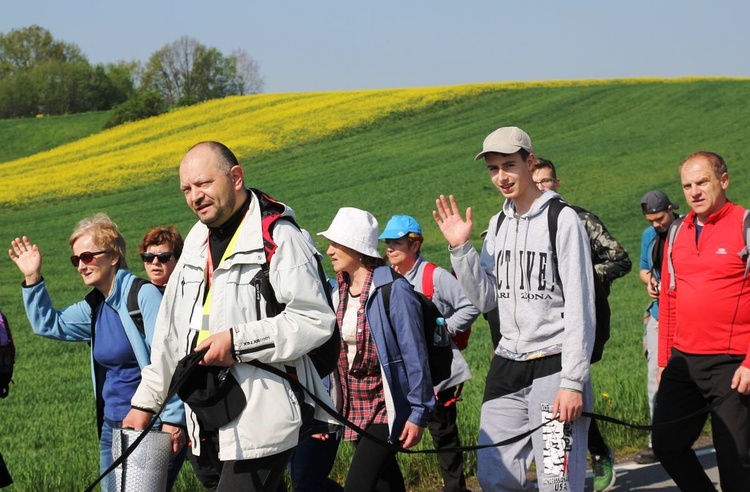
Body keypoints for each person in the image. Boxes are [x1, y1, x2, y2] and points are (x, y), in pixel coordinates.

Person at [122, 141, 337, 492]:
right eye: (187, 189)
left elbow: (315, 320)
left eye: (204, 184)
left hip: (264, 417)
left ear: (235, 177)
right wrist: (145, 403)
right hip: (207, 417)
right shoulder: (194, 241)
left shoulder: (280, 237)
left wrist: (237, 342)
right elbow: (170, 336)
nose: (195, 196)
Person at [433, 126, 595, 491]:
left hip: (554, 367)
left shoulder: (562, 219)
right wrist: (461, 250)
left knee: (557, 481)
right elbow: (487, 299)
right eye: (493, 168)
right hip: (507, 364)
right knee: (494, 477)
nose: (501, 177)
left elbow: (581, 306)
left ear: (530, 161)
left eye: (509, 165)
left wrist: (572, 383)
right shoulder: (499, 223)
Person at [8, 213, 186, 491]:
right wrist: (32, 277)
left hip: (150, 424)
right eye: (76, 259)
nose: (81, 265)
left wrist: (174, 419)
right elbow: (49, 324)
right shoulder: (94, 306)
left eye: (88, 256)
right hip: (110, 426)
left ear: (113, 256)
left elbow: (168, 359)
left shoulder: (143, 296)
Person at [318, 207, 436, 492]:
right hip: (354, 403)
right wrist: (322, 410)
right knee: (386, 484)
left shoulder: (394, 291)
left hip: (388, 406)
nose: (330, 250)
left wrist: (418, 413)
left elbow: (415, 355)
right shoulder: (339, 292)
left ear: (356, 248)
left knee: (358, 485)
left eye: (336, 244)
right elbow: (330, 355)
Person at [532, 157, 632, 491]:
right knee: (555, 408)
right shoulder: (523, 225)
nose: (542, 187)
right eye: (537, 182)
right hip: (536, 336)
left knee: (566, 397)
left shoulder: (579, 219)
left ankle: (585, 460)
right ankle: (563, 468)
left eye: (547, 181)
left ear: (557, 184)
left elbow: (620, 259)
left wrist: (583, 277)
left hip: (579, 324)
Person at [653, 151, 750, 491]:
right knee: (666, 444)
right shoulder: (677, 232)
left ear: (723, 181)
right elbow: (669, 298)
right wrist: (665, 360)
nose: (694, 191)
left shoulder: (744, 225)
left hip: (732, 364)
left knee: (736, 461)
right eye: (687, 185)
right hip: (683, 361)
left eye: (702, 182)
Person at [379, 214, 478, 492]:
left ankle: (455, 488)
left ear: (415, 245)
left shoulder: (434, 275)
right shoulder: (386, 279)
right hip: (402, 372)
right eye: (388, 242)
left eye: (396, 242)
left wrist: (443, 329)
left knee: (443, 435)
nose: (389, 248)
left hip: (436, 371)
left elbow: (470, 305)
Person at [636, 190, 679, 465]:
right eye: (651, 220)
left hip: (686, 317)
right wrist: (650, 280)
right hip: (658, 315)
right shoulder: (648, 236)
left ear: (671, 209)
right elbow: (643, 268)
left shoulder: (684, 230)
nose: (656, 224)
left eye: (660, 218)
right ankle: (657, 442)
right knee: (656, 379)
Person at [139, 226, 184, 292]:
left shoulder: (187, 293)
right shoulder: (137, 294)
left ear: (178, 259)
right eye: (149, 257)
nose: (155, 262)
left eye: (163, 257)